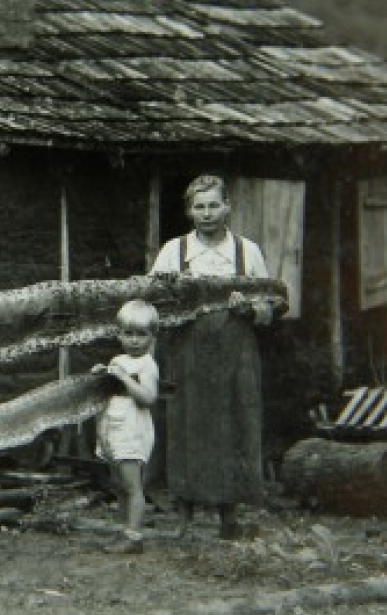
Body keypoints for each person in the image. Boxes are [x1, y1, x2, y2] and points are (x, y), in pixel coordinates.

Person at [149, 175, 277, 540]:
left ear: (228, 208)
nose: (206, 214)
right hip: (188, 351)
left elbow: (269, 306)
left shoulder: (246, 252)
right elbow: (152, 303)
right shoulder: (174, 252)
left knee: (234, 424)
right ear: (190, 211)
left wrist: (249, 309)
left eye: (213, 205)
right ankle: (185, 516)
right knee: (187, 426)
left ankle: (228, 515)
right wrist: (178, 303)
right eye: (199, 206)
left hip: (235, 352)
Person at [92, 300, 161, 555]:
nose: (134, 341)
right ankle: (123, 532)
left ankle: (134, 537)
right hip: (114, 428)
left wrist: (122, 377)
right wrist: (105, 373)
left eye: (141, 334)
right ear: (119, 334)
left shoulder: (147, 365)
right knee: (119, 484)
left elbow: (148, 397)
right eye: (128, 334)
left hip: (133, 430)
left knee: (133, 486)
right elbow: (109, 392)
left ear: (152, 336)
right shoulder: (117, 360)